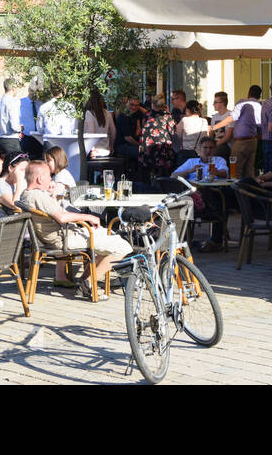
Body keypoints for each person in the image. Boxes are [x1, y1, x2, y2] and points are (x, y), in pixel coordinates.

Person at [17, 161, 131, 300]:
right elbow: (62, 217)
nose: (51, 179)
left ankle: (84, 283)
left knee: (107, 236)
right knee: (123, 247)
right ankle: (89, 282)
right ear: (40, 179)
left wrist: (52, 195)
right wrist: (89, 216)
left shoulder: (26, 194)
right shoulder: (38, 196)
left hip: (62, 235)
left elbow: (53, 213)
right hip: (65, 238)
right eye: (48, 176)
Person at [221, 84, 262, 179]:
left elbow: (232, 118)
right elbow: (260, 125)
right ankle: (249, 192)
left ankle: (235, 193)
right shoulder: (259, 106)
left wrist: (214, 127)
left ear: (248, 93)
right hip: (253, 140)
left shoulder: (242, 103)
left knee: (235, 171)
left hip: (241, 141)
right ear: (259, 96)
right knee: (249, 170)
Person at [138, 94, 176, 186]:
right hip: (162, 146)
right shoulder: (167, 116)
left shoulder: (147, 115)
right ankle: (162, 185)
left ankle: (147, 186)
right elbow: (172, 131)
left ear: (152, 104)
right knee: (163, 168)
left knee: (146, 169)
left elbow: (143, 129)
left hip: (147, 147)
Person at [0, 80, 23, 157]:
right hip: (11, 140)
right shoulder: (12, 103)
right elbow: (14, 126)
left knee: (2, 166)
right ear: (13, 88)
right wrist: (20, 128)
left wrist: (0, 127)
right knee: (15, 165)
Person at [81, 91, 116, 159]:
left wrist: (92, 149)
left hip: (94, 152)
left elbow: (91, 133)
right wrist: (111, 146)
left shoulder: (89, 113)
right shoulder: (107, 113)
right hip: (106, 150)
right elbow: (113, 131)